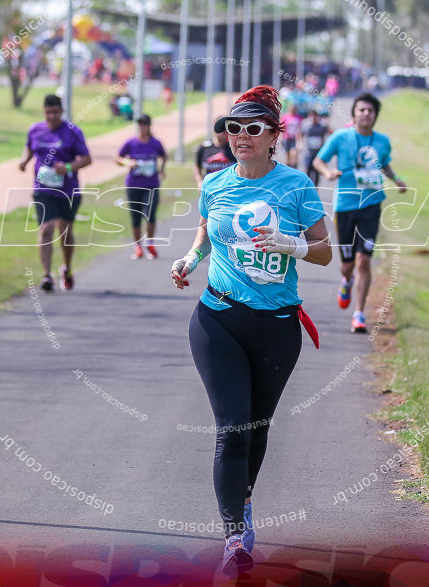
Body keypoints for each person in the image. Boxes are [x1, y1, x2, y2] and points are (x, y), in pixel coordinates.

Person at [170, 85, 332, 576]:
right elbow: (205, 229)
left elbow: (325, 251)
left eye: (252, 129)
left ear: (273, 136)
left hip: (278, 327)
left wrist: (290, 244)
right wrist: (190, 259)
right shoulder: (215, 182)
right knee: (232, 428)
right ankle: (234, 538)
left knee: (256, 431)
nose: (240, 137)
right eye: (234, 129)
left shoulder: (296, 186)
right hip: (217, 318)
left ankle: (243, 502)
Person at [312, 93, 406, 333]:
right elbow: (318, 161)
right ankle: (346, 280)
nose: (366, 114)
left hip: (371, 206)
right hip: (344, 208)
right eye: (362, 110)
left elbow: (384, 163)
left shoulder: (383, 141)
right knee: (348, 264)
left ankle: (359, 313)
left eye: (370, 111)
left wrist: (396, 179)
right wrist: (329, 172)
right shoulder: (341, 137)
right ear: (354, 114)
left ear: (375, 116)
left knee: (364, 259)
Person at [18, 94, 93, 292]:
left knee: (65, 231)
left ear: (61, 112)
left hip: (68, 190)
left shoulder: (72, 132)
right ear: (44, 112)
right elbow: (29, 148)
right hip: (43, 189)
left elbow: (86, 158)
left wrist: (68, 167)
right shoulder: (35, 130)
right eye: (48, 112)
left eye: (55, 112)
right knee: (46, 228)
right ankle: (46, 275)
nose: (52, 116)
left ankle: (66, 268)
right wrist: (24, 161)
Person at [116, 114, 166, 259]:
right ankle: (137, 246)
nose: (142, 127)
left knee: (150, 215)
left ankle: (150, 243)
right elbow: (118, 158)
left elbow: (163, 155)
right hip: (134, 184)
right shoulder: (131, 143)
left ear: (149, 126)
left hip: (151, 185)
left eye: (144, 124)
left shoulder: (155, 143)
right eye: (140, 124)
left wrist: (162, 169)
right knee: (135, 217)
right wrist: (128, 163)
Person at [301, 109, 331, 186]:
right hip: (308, 152)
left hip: (318, 153)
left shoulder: (322, 125)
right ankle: (308, 188)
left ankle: (315, 188)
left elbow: (331, 132)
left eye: (315, 116)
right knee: (308, 171)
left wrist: (328, 145)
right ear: (309, 117)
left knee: (317, 172)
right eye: (312, 116)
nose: (314, 118)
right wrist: (300, 143)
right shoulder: (305, 125)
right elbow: (300, 133)